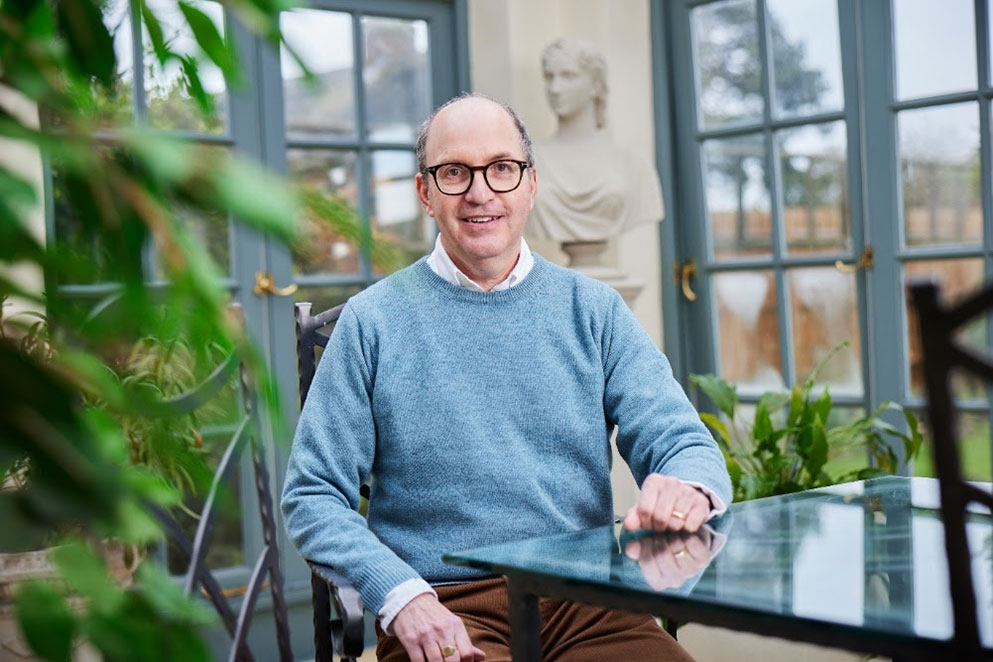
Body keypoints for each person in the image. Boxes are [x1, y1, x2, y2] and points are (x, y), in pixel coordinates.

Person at [281, 93, 731, 662]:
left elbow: (683, 441)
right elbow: (313, 494)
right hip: (448, 607)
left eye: (501, 168)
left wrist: (688, 487)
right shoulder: (372, 321)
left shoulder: (594, 310)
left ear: (530, 184)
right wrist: (400, 597)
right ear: (424, 192)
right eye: (454, 172)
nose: (480, 192)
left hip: (590, 605)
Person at [528, 37, 664, 244]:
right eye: (549, 77)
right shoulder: (529, 163)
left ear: (595, 85)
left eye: (568, 76)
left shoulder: (633, 165)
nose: (555, 88)